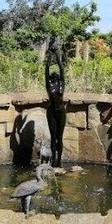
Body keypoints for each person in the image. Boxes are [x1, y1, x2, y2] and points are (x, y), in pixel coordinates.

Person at [44, 37, 67, 168]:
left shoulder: (61, 86)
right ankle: (53, 159)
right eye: (52, 76)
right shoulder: (50, 86)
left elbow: (62, 69)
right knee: (53, 137)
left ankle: (59, 160)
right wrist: (49, 56)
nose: (54, 75)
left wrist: (57, 55)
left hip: (61, 112)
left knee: (60, 136)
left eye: (55, 75)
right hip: (51, 112)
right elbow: (46, 69)